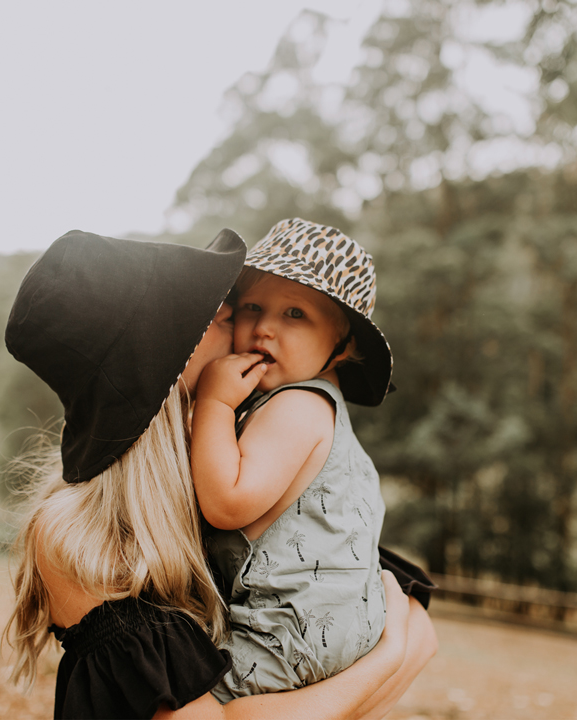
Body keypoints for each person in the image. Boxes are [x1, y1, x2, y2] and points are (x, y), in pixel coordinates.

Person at [2, 227, 437, 719]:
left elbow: (407, 616)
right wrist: (385, 661)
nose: (244, 321)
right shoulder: (81, 543)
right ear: (168, 355)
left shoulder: (266, 449)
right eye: (217, 309)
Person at [190, 218, 397, 701]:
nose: (264, 327)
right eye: (253, 307)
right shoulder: (310, 406)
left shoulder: (298, 406)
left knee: (186, 704)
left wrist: (213, 404)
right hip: (319, 627)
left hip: (287, 632)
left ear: (342, 346)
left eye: (295, 315)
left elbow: (226, 504)